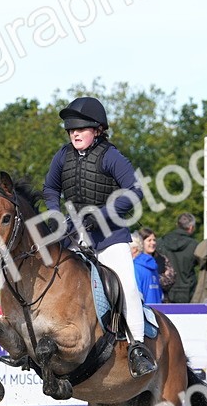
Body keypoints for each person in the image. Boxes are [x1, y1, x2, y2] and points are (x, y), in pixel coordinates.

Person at [42, 96, 155, 376]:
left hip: (109, 237)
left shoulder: (110, 156)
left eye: (80, 129)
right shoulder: (62, 156)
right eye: (71, 130)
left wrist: (101, 214)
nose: (74, 134)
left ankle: (138, 347)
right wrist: (57, 215)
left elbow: (134, 190)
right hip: (73, 236)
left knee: (127, 286)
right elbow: (50, 189)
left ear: (97, 130)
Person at [157, 213, 199, 302]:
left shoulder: (161, 242)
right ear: (191, 227)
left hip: (166, 291)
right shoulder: (194, 245)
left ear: (177, 225)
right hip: (188, 292)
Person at [132, 229, 165, 304]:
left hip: (146, 311)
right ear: (141, 242)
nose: (153, 243)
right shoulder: (153, 264)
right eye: (149, 240)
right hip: (157, 311)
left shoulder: (137, 265)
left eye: (154, 240)